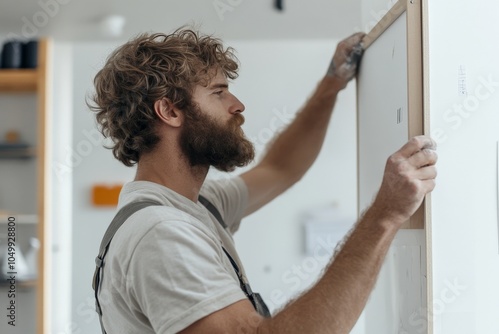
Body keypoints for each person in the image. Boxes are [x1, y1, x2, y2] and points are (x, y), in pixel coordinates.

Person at [89, 28, 437, 334]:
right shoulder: (161, 233)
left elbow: (281, 168)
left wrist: (331, 86)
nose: (238, 105)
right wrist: (385, 214)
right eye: (218, 92)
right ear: (170, 111)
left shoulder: (197, 204)